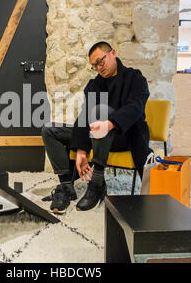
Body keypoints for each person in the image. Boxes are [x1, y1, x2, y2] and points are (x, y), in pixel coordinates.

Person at [41, 41, 151, 214]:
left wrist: (110, 123)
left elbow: (136, 107)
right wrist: (81, 150)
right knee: (50, 130)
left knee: (101, 112)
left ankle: (96, 185)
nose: (99, 67)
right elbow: (85, 115)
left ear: (113, 53)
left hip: (124, 136)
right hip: (96, 136)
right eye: (94, 65)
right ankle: (66, 186)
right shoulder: (94, 85)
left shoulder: (135, 78)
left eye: (101, 61)